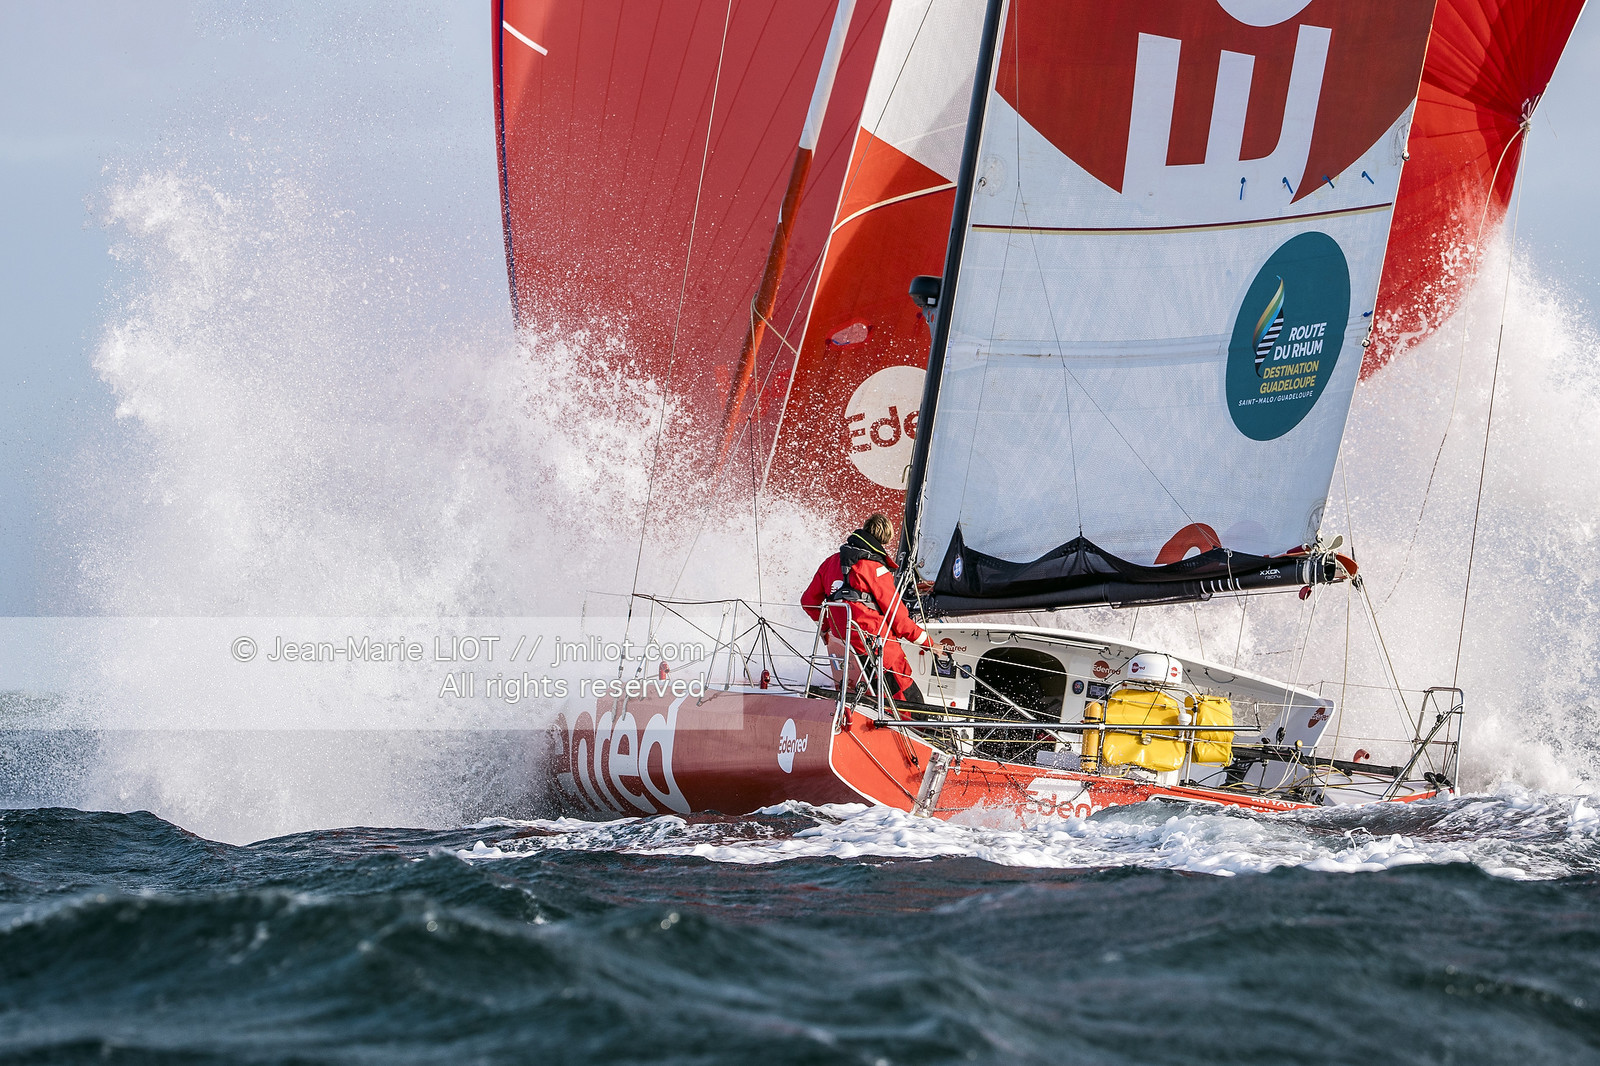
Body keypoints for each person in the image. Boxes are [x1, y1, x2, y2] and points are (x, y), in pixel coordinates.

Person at [801, 513, 929, 705]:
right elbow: (899, 619)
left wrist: (827, 627)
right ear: (885, 539)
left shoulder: (830, 563)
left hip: (844, 647)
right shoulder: (876, 569)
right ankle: (923, 731)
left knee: (862, 695)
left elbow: (808, 601)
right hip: (879, 651)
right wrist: (928, 643)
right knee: (910, 701)